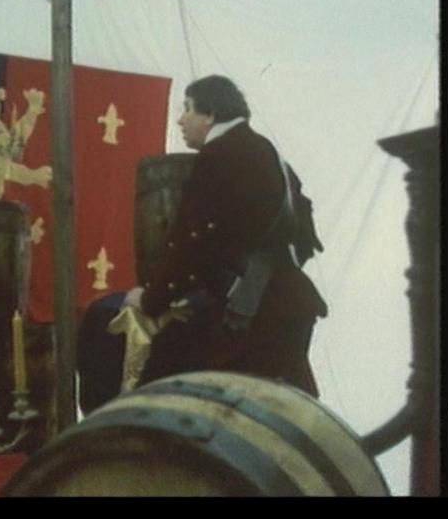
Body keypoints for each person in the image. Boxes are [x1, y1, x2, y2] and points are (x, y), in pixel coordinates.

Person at [77, 74, 328, 414]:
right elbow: (305, 235)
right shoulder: (266, 152)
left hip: (248, 319)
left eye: (188, 109)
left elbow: (190, 242)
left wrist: (151, 299)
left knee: (161, 400)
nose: (181, 120)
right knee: (281, 416)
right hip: (289, 304)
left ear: (210, 114)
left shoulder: (220, 155)